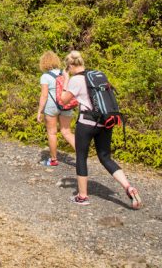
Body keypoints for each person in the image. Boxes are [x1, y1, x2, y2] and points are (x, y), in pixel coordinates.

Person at [58, 51, 142, 209]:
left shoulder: (76, 79)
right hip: (105, 121)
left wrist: (66, 80)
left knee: (81, 156)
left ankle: (82, 196)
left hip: (87, 122)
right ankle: (128, 187)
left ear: (69, 66)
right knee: (105, 157)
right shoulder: (97, 75)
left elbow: (63, 101)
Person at [36, 50, 76, 166]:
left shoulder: (45, 76)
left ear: (43, 63)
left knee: (52, 133)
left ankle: (53, 160)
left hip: (52, 106)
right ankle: (81, 156)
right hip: (65, 104)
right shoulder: (64, 73)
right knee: (67, 132)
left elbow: (44, 95)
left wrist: (40, 111)